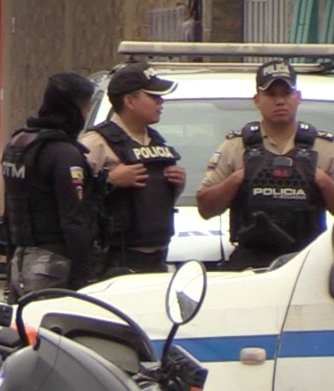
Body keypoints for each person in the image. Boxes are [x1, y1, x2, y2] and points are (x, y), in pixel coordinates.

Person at [195, 59, 334, 270]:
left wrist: (323, 182)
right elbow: (205, 209)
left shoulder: (324, 147)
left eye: (286, 94)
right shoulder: (236, 146)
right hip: (250, 263)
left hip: (308, 262)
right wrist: (237, 179)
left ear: (298, 98)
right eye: (271, 94)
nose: (280, 101)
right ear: (257, 100)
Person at [80, 60, 185, 275]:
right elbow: (70, 196)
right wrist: (109, 181)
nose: (160, 102)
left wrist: (176, 184)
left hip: (157, 259)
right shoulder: (97, 142)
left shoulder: (157, 143)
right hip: (115, 260)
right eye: (153, 96)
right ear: (129, 100)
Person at [1, 73, 101, 297]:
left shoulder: (18, 144)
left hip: (20, 260)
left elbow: (10, 213)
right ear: (72, 108)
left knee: (24, 329)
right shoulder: (64, 153)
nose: (85, 116)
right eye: (85, 109)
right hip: (52, 265)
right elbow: (73, 219)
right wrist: (85, 272)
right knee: (53, 330)